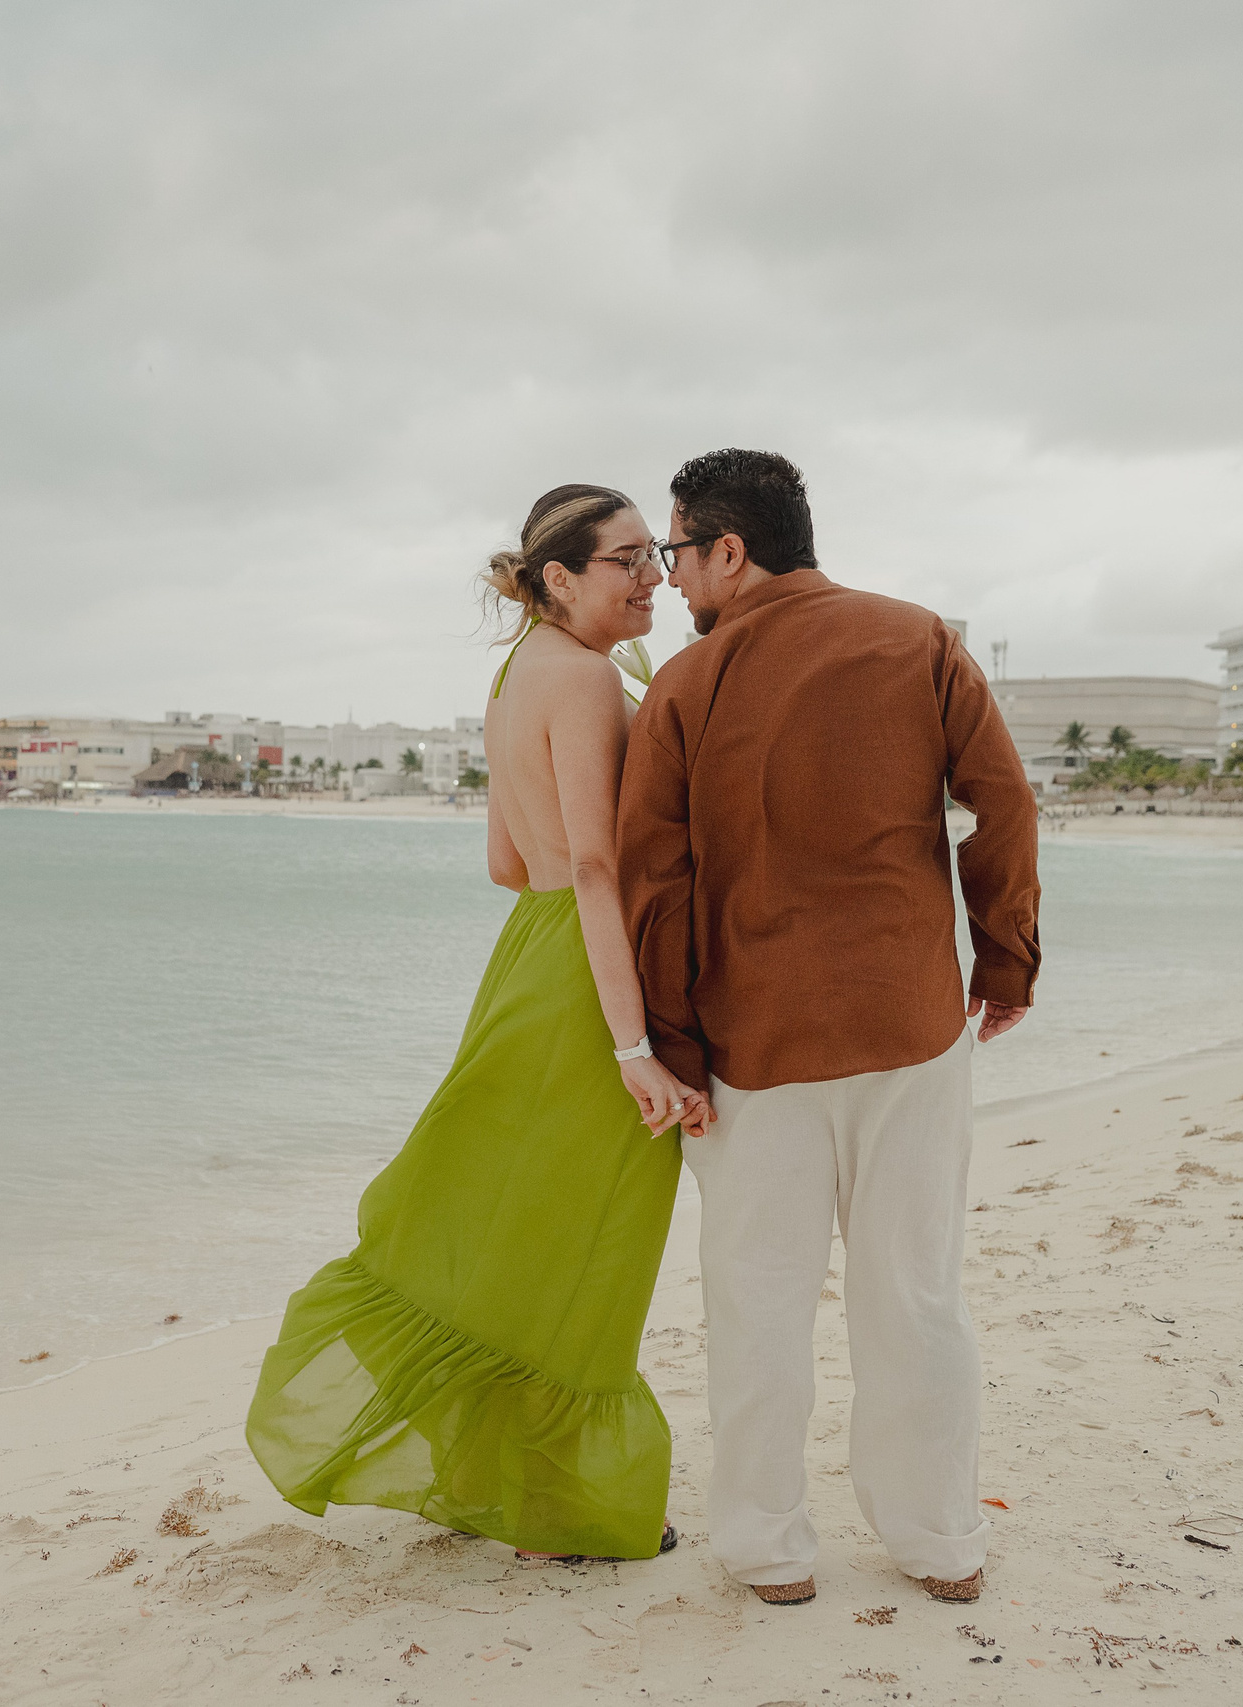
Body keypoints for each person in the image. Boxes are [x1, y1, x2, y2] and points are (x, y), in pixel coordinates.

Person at [245, 484, 713, 1562]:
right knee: (589, 1240)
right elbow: (595, 863)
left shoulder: (514, 675)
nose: (652, 577)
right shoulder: (588, 678)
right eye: (628, 560)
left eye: (657, 557)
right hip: (594, 988)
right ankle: (563, 1502)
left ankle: (506, 1476)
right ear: (559, 577)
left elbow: (509, 863)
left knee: (514, 1224)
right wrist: (633, 1043)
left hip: (529, 966)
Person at [618, 448, 1040, 1607]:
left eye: (676, 553)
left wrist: (673, 1049)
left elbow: (652, 880)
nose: (674, 578)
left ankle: (768, 1553)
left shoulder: (684, 690)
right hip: (909, 1026)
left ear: (729, 551)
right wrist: (1004, 959)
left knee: (757, 1301)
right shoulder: (916, 638)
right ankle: (940, 1541)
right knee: (914, 1290)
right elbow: (1000, 801)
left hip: (753, 1050)